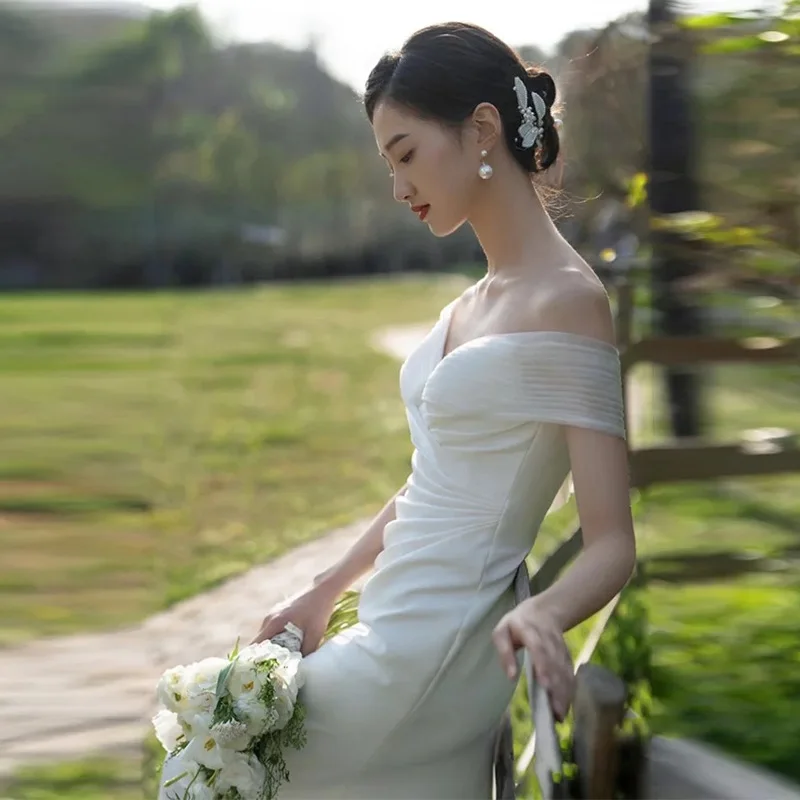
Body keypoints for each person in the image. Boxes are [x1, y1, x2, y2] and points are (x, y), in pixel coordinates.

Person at [161, 21, 636, 800]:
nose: (397, 187)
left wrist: (546, 613)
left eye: (406, 153)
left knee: (218, 773)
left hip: (437, 651)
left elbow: (613, 542)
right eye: (388, 163)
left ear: (481, 128)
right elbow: (430, 484)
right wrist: (324, 587)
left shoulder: (570, 302)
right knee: (218, 760)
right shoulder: (469, 304)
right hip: (392, 622)